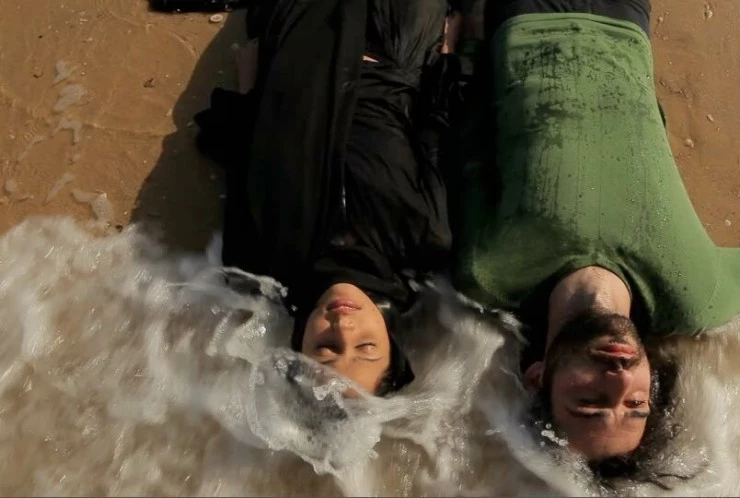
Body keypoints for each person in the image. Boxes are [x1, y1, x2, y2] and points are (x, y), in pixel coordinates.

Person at [452, 0, 740, 472]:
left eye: (589, 402)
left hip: (523, 16)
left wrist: (466, 41)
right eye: (635, 405)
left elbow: (471, 140)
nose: (619, 381)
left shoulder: (490, 271)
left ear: (538, 377)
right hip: (624, 20)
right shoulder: (695, 296)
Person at [195, 0, 469, 395]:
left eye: (326, 348)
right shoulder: (425, 240)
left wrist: (251, 86)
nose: (344, 327)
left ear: (298, 345)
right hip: (396, 55)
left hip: (302, 52)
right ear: (391, 341)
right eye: (366, 347)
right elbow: (434, 133)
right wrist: (449, 53)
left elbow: (245, 160)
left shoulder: (255, 256)